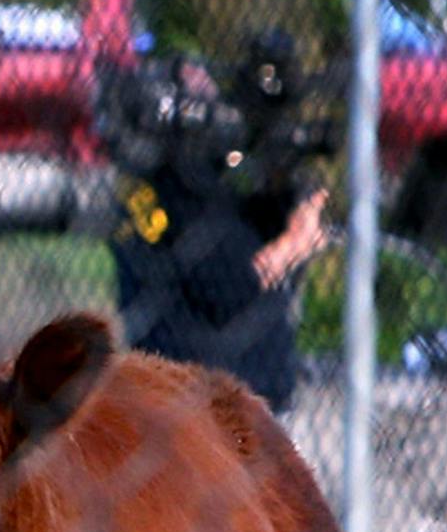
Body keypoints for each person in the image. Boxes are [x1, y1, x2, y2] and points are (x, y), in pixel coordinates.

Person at [107, 49, 328, 415]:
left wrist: (288, 192)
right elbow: (234, 286)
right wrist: (295, 244)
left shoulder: (147, 180)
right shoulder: (181, 188)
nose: (218, 113)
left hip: (174, 387)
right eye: (203, 103)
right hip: (225, 400)